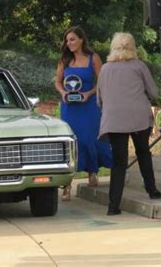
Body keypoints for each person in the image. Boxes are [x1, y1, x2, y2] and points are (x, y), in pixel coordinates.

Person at [97, 32, 161, 216]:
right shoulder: (139, 66)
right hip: (139, 117)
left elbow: (99, 98)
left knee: (119, 161)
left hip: (114, 119)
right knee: (143, 152)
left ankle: (113, 205)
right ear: (133, 47)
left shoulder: (105, 69)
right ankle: (152, 190)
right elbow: (153, 92)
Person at [55, 26, 113, 201]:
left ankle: (92, 172)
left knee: (90, 139)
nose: (69, 43)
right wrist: (63, 92)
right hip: (70, 108)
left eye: (72, 39)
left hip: (89, 107)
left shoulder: (93, 59)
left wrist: (89, 93)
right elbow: (57, 82)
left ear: (81, 40)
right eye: (67, 40)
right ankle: (66, 186)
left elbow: (103, 82)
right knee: (72, 143)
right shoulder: (64, 61)